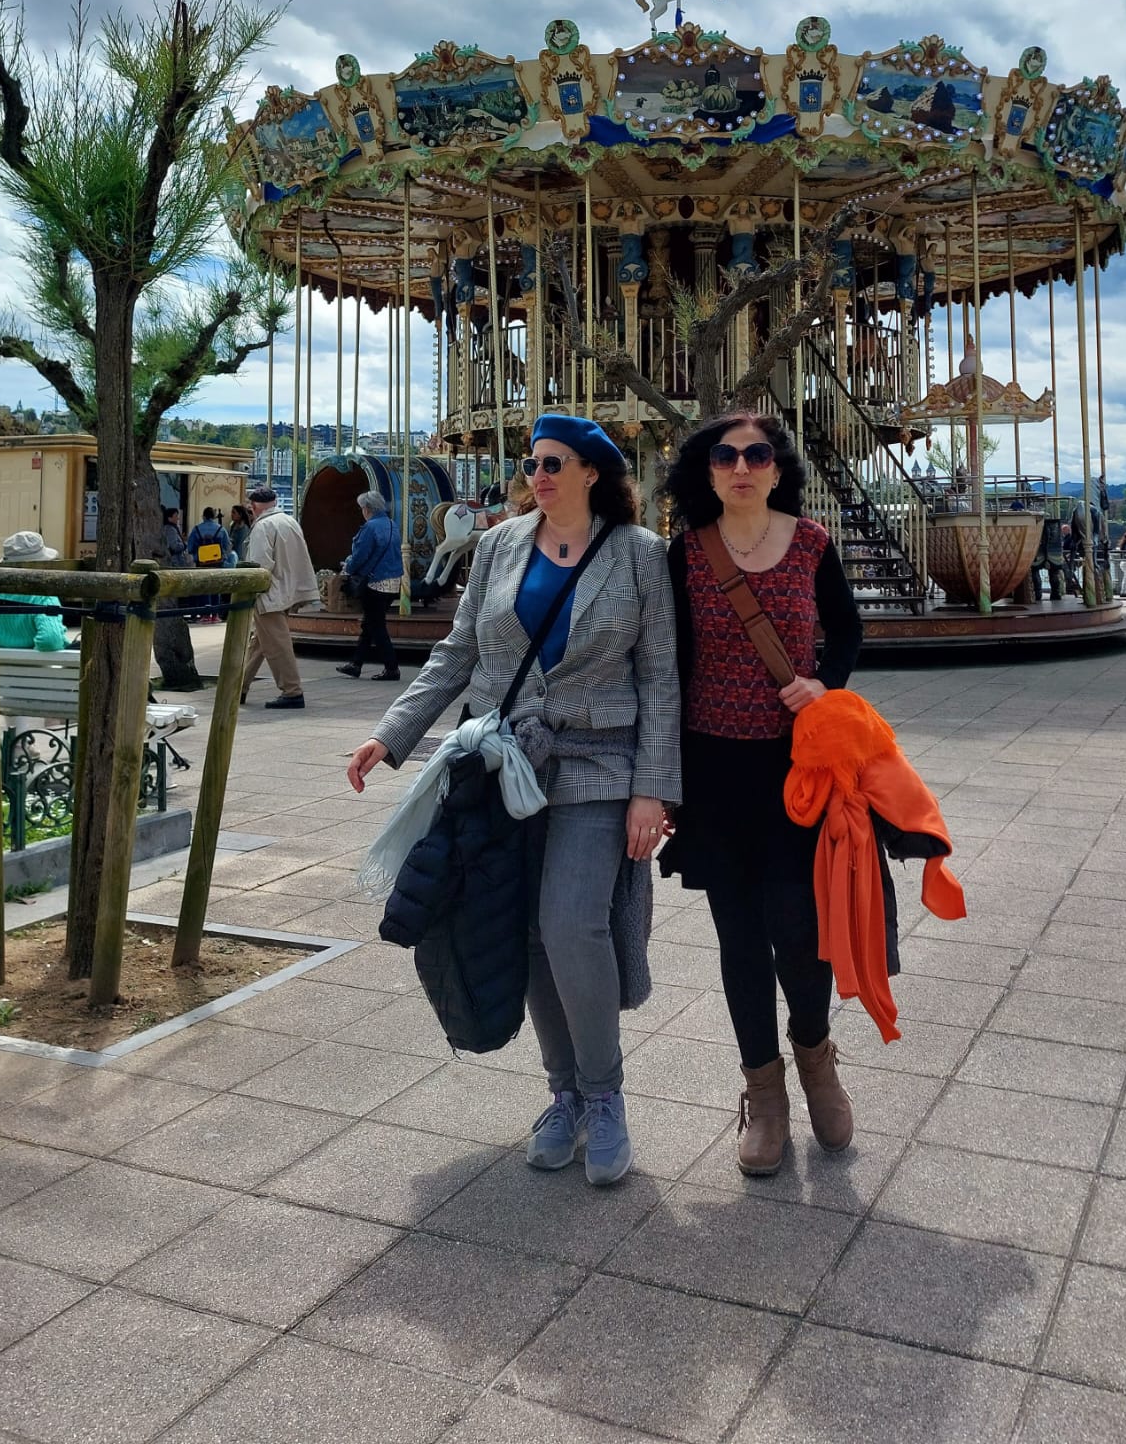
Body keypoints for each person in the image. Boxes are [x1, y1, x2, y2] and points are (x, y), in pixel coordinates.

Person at [347, 413, 679, 1188]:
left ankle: (605, 1094)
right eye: (533, 463)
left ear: (593, 471)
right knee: (524, 927)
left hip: (598, 758)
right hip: (507, 760)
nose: (540, 475)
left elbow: (660, 676)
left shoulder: (639, 554)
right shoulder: (499, 546)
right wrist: (392, 736)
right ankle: (564, 1095)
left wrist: (653, 789)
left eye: (555, 463)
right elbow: (457, 652)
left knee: (571, 922)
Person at [660, 410, 863, 1178]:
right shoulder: (686, 553)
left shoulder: (810, 543)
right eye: (725, 455)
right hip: (713, 771)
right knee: (739, 938)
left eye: (756, 454)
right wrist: (658, 781)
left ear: (778, 469)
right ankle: (764, 1092)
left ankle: (817, 1058)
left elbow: (846, 630)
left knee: (800, 931)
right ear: (707, 470)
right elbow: (667, 666)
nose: (741, 466)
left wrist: (823, 683)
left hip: (794, 771)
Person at [241, 486, 320, 709]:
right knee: (259, 643)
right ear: (275, 501)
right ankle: (238, 687)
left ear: (253, 506)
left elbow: (259, 565)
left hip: (269, 594)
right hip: (288, 590)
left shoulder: (262, 526)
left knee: (277, 645)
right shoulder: (289, 521)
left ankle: (292, 690)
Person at [337, 490, 403, 682]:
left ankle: (392, 667)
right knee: (370, 624)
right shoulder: (391, 524)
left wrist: (348, 567)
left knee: (377, 626)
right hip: (393, 581)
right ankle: (355, 664)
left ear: (367, 509)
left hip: (375, 582)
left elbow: (361, 555)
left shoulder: (369, 528)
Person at [186, 504, 232, 620]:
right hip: (217, 562)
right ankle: (215, 614)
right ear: (214, 516)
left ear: (204, 516)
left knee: (203, 587)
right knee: (216, 587)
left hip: (201, 562)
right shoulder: (221, 529)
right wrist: (223, 556)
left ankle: (205, 614)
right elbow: (227, 546)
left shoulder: (196, 529)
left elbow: (190, 547)